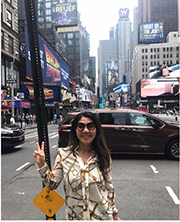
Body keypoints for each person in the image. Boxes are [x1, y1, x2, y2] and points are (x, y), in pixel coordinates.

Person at [33, 112, 121, 220]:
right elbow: (52, 184)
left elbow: (109, 188)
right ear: (75, 130)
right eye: (81, 126)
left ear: (96, 129)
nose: (86, 130)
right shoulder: (63, 154)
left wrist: (115, 214)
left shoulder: (103, 155)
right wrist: (42, 165)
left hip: (102, 218)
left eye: (90, 126)